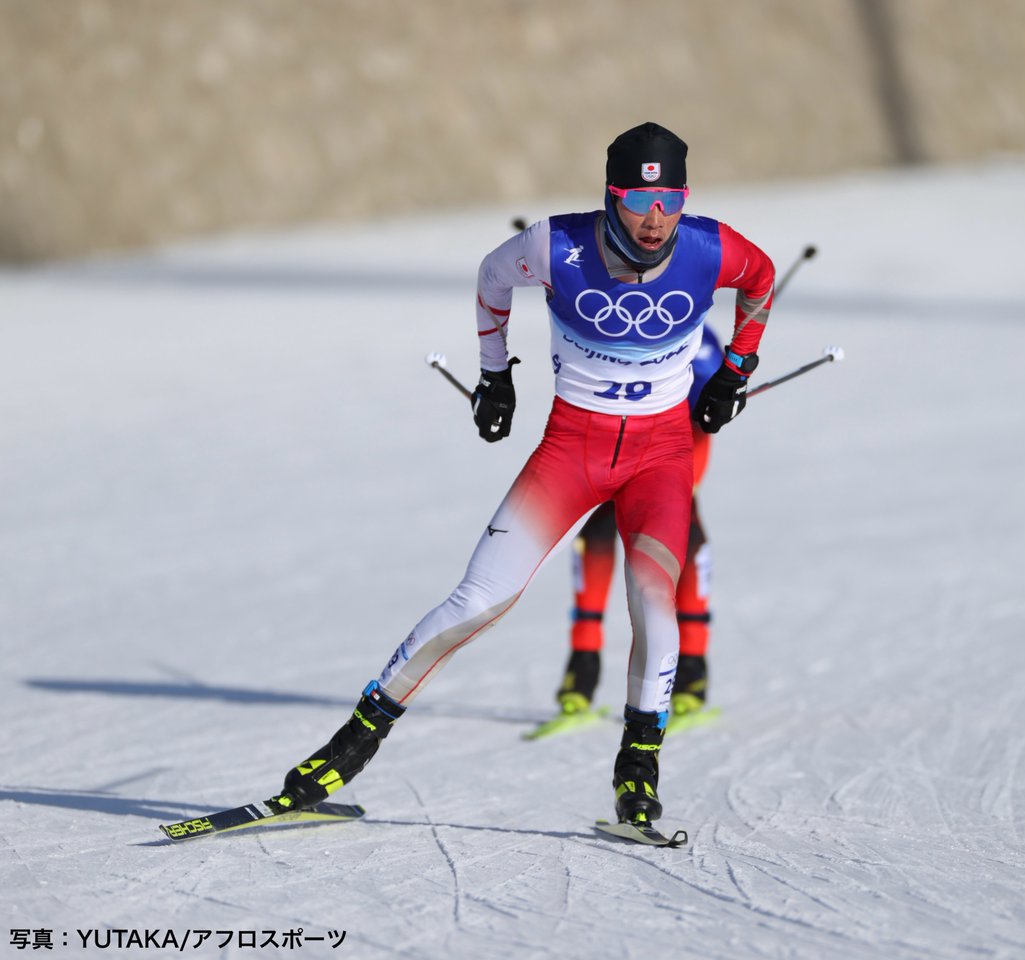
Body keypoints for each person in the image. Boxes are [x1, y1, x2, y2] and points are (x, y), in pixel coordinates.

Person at [270, 121, 775, 828]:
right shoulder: (556, 245)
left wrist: (736, 369)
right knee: (479, 599)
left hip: (662, 455)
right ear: (611, 195)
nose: (656, 218)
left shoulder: (710, 248)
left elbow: (760, 279)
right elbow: (490, 278)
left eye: (671, 200)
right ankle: (343, 751)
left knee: (652, 605)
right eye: (638, 198)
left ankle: (638, 772)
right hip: (572, 448)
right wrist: (494, 376)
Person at [554, 325, 723, 724]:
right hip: (610, 439)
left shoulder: (691, 327)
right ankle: (582, 669)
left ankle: (692, 674)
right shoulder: (602, 313)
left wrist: (719, 395)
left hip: (673, 443)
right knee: (595, 527)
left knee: (681, 532)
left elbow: (712, 383)